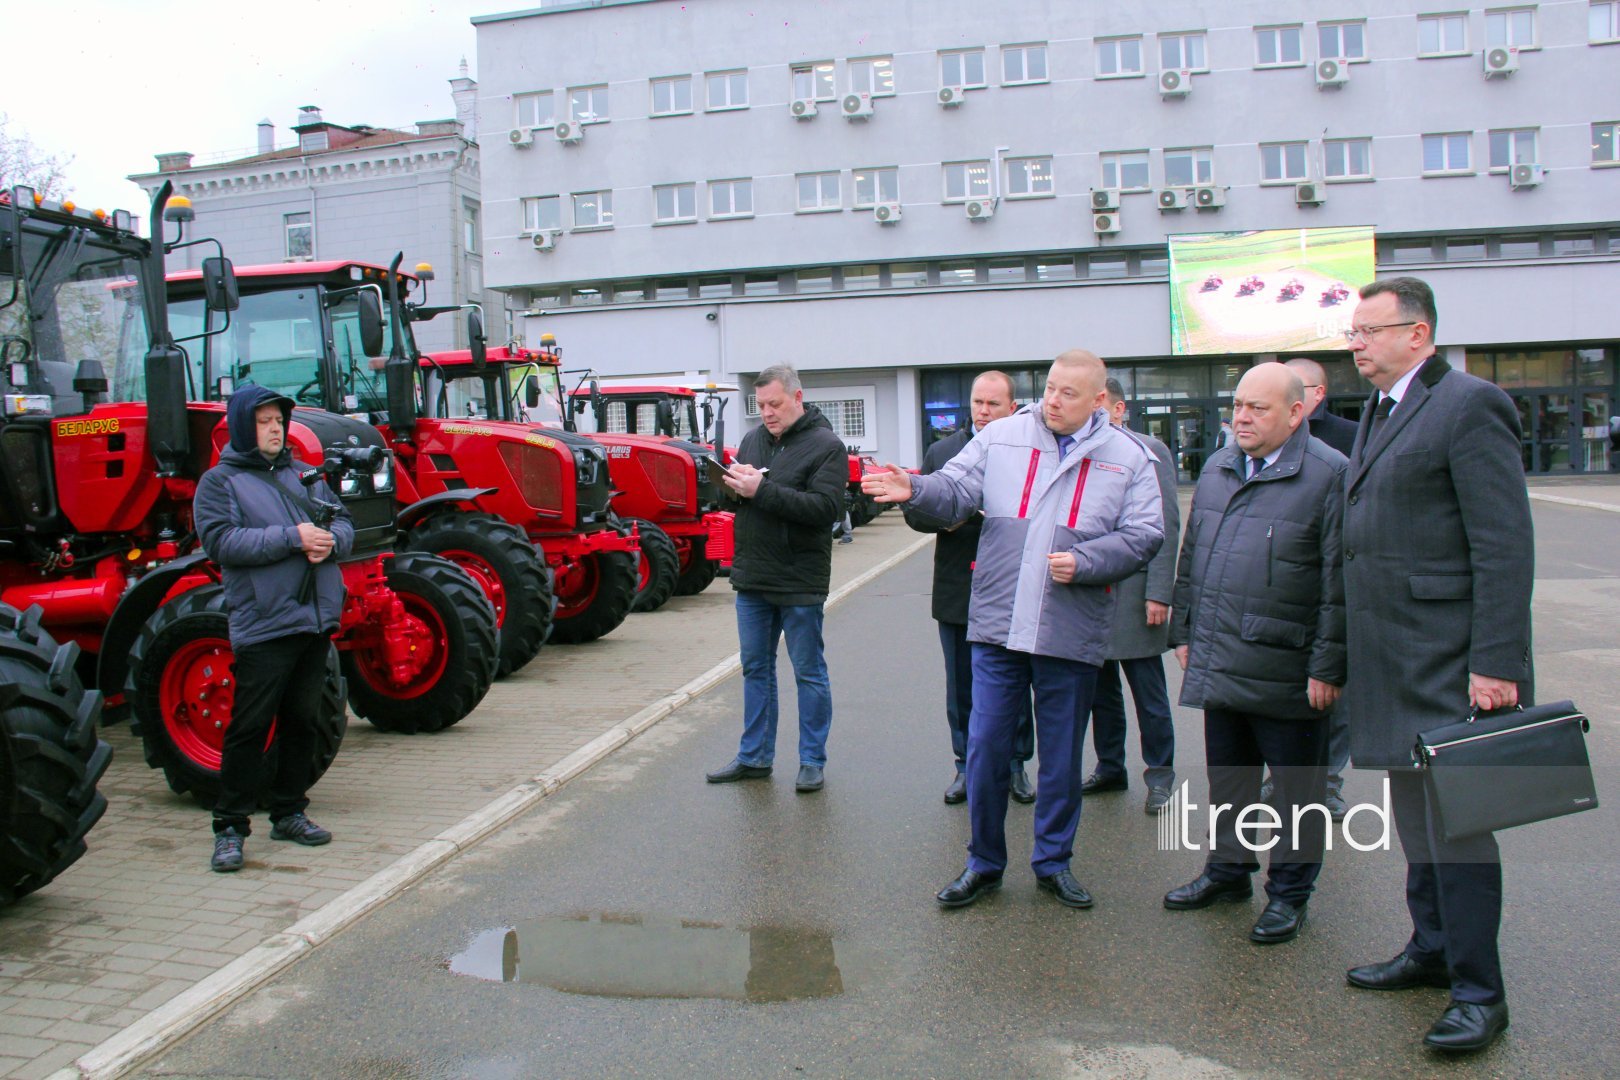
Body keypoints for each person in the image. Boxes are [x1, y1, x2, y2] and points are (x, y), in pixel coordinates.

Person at [863, 350, 1163, 910]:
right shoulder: (1002, 437)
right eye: (1049, 388)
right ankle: (983, 862)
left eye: (1068, 393)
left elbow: (1146, 533)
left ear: (1099, 400)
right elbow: (954, 488)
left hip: (1069, 628)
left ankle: (1053, 863)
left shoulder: (1128, 457)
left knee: (1061, 757)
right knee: (985, 749)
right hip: (998, 625)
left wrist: (1088, 561)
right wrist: (916, 488)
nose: (1053, 401)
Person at [1339, 276, 1532, 1054]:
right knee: (1417, 825)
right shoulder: (1381, 410)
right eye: (1353, 333)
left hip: (1451, 663)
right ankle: (1432, 948)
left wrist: (1496, 662)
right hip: (1393, 658)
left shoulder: (1470, 405)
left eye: (1369, 331)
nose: (1356, 345)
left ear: (1417, 334)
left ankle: (1481, 993)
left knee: (1459, 831)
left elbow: (1503, 543)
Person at [1163, 363, 1347, 945]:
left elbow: (1341, 581)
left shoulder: (1329, 475)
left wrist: (1328, 664)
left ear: (1296, 413)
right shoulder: (1220, 467)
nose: (1241, 418)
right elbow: (1193, 555)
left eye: (1257, 408)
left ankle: (1289, 895)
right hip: (1221, 653)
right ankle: (1228, 871)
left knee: (1297, 792)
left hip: (1289, 665)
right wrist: (1184, 630)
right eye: (1237, 406)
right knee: (1230, 778)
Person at [192, 385, 354, 873]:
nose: (274, 430)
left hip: (313, 619)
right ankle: (229, 828)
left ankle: (288, 812)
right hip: (265, 623)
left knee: (303, 721)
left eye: (279, 421)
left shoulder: (304, 474)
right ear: (244, 427)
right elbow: (221, 542)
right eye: (263, 422)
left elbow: (344, 523)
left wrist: (331, 543)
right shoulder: (219, 483)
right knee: (250, 727)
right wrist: (293, 537)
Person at [705, 365, 848, 793]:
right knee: (755, 669)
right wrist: (730, 488)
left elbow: (825, 510)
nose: (767, 413)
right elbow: (745, 500)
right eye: (761, 405)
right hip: (753, 576)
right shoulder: (753, 440)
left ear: (797, 397)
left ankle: (812, 760)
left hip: (799, 578)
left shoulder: (827, 446)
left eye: (774, 404)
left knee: (808, 672)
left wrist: (760, 491)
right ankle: (754, 757)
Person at [903, 371, 1036, 806]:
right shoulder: (943, 452)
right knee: (962, 685)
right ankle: (965, 765)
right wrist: (948, 517)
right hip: (958, 584)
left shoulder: (1029, 451)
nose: (983, 411)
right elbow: (915, 514)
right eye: (978, 402)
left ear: (1011, 408)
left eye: (993, 404)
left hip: (1012, 585)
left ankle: (1015, 765)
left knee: (1013, 681)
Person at [1082, 379, 1180, 813]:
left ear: (1118, 408)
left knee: (1148, 693)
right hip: (1093, 589)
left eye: (1100, 403)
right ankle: (1110, 767)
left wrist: (1159, 592)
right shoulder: (1083, 449)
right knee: (1100, 693)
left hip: (1138, 592)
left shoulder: (1148, 449)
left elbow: (1166, 524)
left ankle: (1160, 776)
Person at [1281, 357, 1359, 820]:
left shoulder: (1351, 437)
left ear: (1319, 394)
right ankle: (1285, 777)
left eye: (1298, 386)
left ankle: (1329, 782)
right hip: (1283, 588)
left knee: (1334, 694)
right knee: (1285, 693)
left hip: (1335, 583)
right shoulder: (1266, 438)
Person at [1285, 357, 1357, 458]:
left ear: (1318, 392)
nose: (1284, 394)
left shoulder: (1353, 434)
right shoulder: (1271, 431)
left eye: (1294, 388)